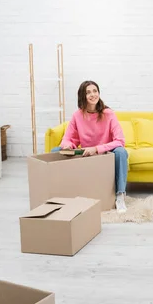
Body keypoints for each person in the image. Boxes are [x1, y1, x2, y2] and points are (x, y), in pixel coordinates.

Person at [51, 80, 129, 213]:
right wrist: (69, 146)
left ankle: (120, 195)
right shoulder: (77, 115)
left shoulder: (108, 113)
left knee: (121, 152)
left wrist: (97, 148)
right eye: (88, 92)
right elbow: (66, 139)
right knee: (55, 151)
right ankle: (58, 193)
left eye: (95, 91)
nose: (93, 94)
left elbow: (120, 141)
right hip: (86, 154)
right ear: (83, 96)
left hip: (106, 153)